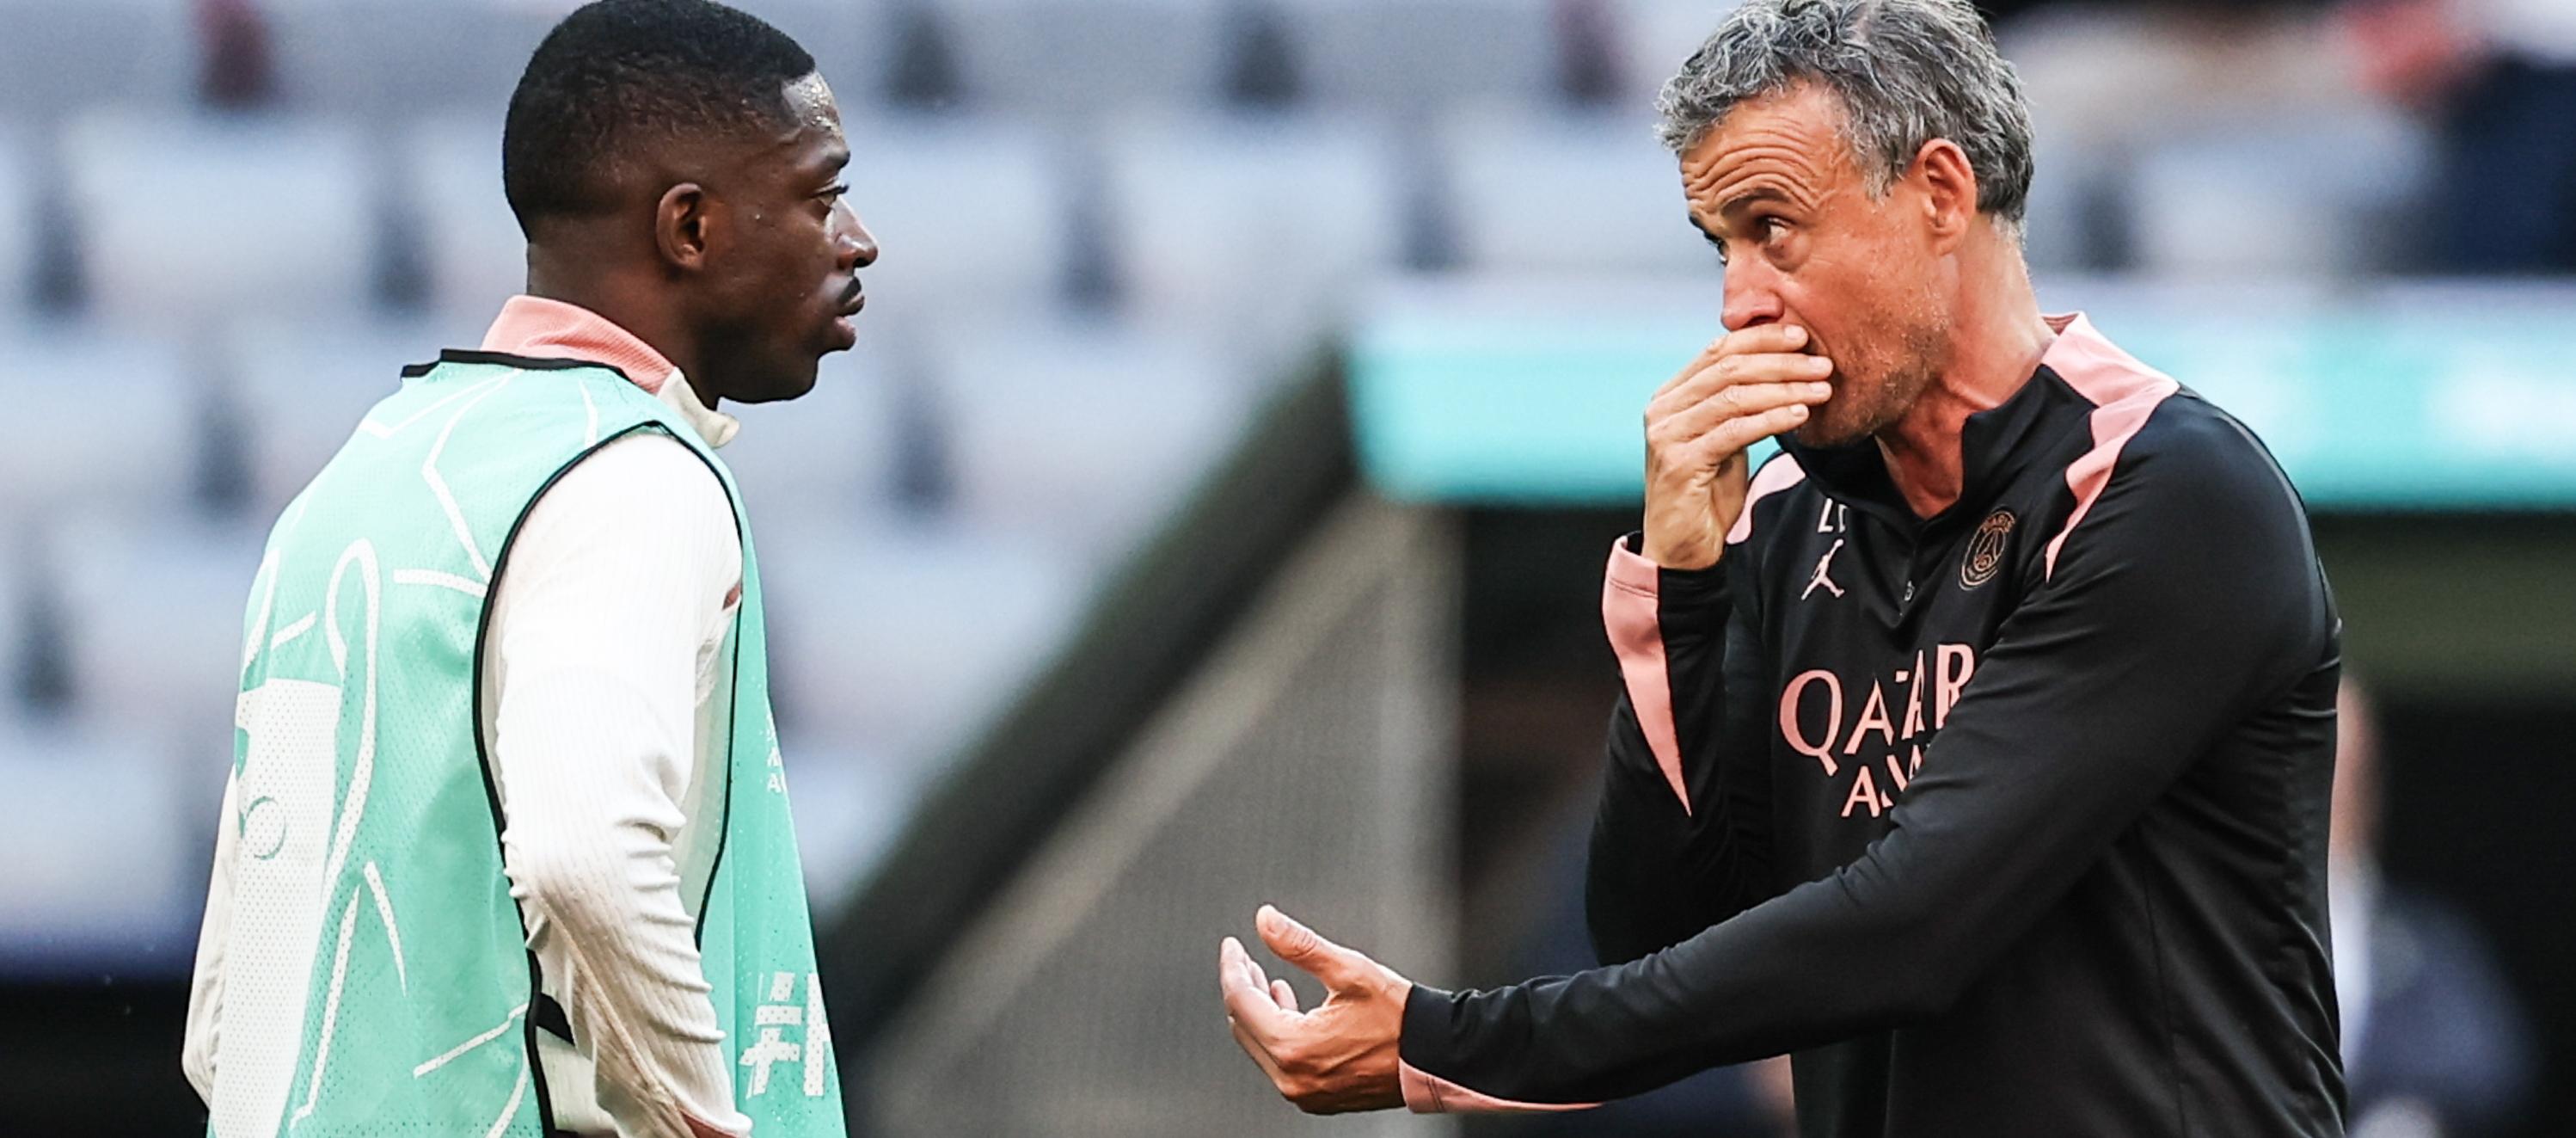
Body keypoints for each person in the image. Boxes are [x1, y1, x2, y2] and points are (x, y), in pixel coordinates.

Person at [1217, 1, 2345, 1134]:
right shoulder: (1784, 518)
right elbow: (1658, 936)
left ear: (1942, 196)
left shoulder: (2163, 487)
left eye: (1776, 228)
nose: (1738, 300)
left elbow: (1911, 930)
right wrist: (1681, 584)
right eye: (1722, 243)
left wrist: (1440, 1042)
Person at [180, 3, 877, 1135]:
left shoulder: (358, 477)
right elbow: (586, 853)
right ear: (689, 227)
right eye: (821, 191)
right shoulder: (634, 479)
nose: (857, 238)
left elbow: (236, 1009)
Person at [2330, 679, 2534, 1136]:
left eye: (2347, 780)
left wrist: (2404, 1110)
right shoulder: (2213, 931)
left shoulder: (2426, 938)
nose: (2329, 803)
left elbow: (2490, 1062)